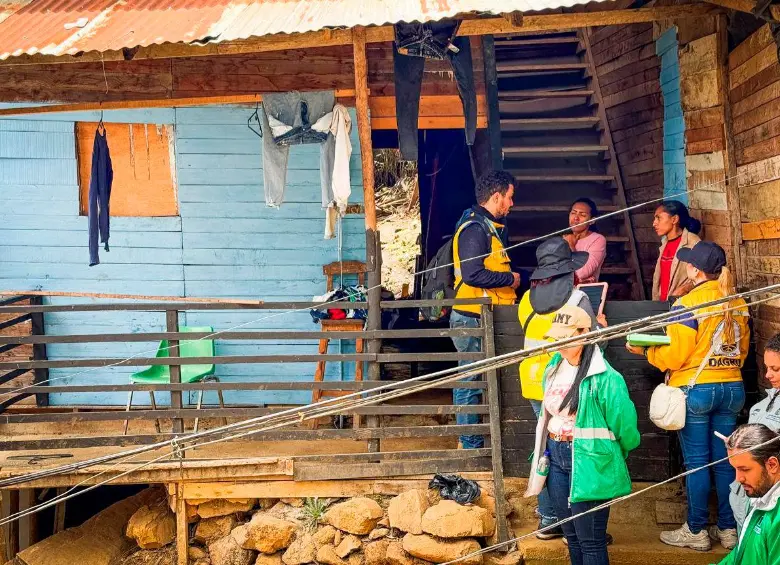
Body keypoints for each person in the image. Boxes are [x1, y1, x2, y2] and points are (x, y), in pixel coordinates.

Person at [626, 241, 750, 551]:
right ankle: (728, 529)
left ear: (694, 269)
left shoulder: (688, 304)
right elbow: (743, 351)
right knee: (725, 461)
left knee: (696, 463)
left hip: (696, 390)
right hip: (732, 387)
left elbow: (674, 357)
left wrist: (645, 349)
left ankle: (695, 530)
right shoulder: (737, 302)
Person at [526, 304, 640, 565]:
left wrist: (610, 455)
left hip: (590, 459)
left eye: (566, 338)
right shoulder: (554, 367)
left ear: (585, 333)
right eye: (557, 338)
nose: (560, 344)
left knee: (591, 541)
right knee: (572, 536)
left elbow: (626, 428)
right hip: (555, 455)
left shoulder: (607, 378)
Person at [517, 236, 599, 539]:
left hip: (532, 381)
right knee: (568, 452)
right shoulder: (577, 299)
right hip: (564, 383)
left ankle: (548, 519)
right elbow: (592, 339)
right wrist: (599, 322)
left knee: (544, 448)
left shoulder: (527, 299)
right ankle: (572, 524)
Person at [450, 170, 521, 449]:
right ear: (496, 197)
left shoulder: (488, 226)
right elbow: (472, 274)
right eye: (510, 197)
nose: (511, 204)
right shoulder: (474, 228)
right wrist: (510, 279)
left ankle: (475, 439)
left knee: (478, 378)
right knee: (469, 381)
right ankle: (470, 444)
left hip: (486, 316)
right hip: (471, 317)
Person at [727, 333, 780, 533]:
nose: (767, 375)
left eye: (775, 369)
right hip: (749, 503)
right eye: (767, 368)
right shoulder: (762, 405)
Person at [715, 424, 780, 565]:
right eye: (735, 469)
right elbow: (738, 557)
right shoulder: (762, 497)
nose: (738, 478)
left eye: (744, 469)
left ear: (772, 465)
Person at [651, 200, 702, 301]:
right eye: (655, 218)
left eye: (659, 218)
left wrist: (685, 288)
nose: (654, 223)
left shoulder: (693, 242)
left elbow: (706, 277)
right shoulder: (664, 244)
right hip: (662, 306)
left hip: (681, 307)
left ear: (674, 219)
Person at [563, 198, 607, 283]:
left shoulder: (597, 240)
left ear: (592, 221)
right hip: (558, 292)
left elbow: (581, 273)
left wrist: (571, 246)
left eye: (582, 215)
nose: (576, 218)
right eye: (573, 213)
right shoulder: (563, 238)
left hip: (582, 293)